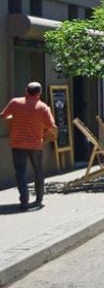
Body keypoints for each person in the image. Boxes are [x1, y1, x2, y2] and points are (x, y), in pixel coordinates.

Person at [0, 82, 57, 211]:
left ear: (26, 91)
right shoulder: (43, 107)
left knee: (20, 172)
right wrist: (52, 135)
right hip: (36, 144)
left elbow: (3, 116)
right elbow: (51, 127)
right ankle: (39, 198)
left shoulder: (15, 102)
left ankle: (24, 200)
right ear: (39, 93)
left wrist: (13, 118)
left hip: (17, 143)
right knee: (38, 171)